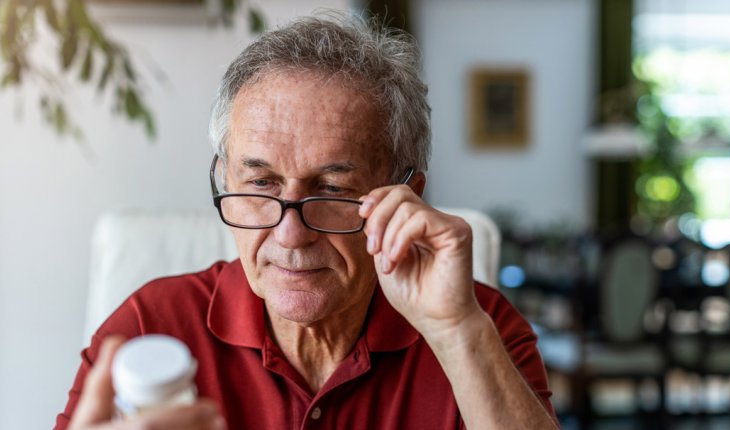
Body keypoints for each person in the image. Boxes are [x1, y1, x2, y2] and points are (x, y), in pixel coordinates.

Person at [56, 12, 558, 430]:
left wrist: (456, 332)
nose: (291, 234)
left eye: (333, 190)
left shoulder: (480, 328)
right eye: (259, 185)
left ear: (407, 198)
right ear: (224, 179)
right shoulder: (149, 327)